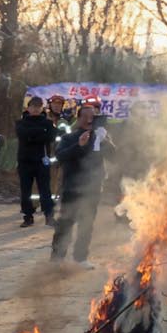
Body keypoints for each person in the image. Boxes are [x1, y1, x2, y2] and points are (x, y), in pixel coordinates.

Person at [50, 103, 110, 265]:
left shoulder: (101, 136)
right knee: (65, 224)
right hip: (72, 188)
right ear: (79, 118)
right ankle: (57, 258)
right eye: (86, 116)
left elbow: (114, 155)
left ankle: (80, 258)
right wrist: (79, 145)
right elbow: (61, 156)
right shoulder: (69, 137)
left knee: (87, 225)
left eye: (93, 116)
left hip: (92, 188)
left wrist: (105, 141)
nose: (90, 119)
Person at [14, 95, 56, 228]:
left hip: (41, 161)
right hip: (25, 161)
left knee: (45, 189)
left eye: (38, 106)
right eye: (33, 106)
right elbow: (23, 135)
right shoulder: (20, 123)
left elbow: (50, 136)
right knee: (25, 190)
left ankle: (49, 215)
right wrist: (40, 133)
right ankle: (28, 216)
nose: (36, 109)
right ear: (28, 108)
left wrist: (33, 135)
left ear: (42, 108)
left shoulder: (48, 123)